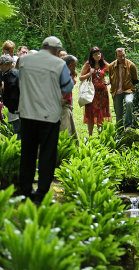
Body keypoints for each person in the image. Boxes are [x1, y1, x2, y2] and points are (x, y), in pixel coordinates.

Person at [18, 36, 73, 204]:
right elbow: (68, 86)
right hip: (49, 116)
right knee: (47, 155)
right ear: (57, 51)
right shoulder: (59, 64)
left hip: (27, 113)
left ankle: (26, 192)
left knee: (27, 154)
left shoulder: (24, 60)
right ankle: (41, 193)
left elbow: (21, 80)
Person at [79, 46, 111, 135]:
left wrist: (109, 81)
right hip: (91, 93)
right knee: (91, 113)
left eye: (99, 53)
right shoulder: (88, 64)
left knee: (101, 113)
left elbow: (113, 70)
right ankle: (90, 135)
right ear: (92, 56)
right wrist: (89, 74)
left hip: (102, 93)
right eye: (95, 54)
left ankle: (100, 134)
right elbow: (80, 78)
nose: (98, 56)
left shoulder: (104, 64)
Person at [109, 48, 138, 130]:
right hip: (116, 91)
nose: (122, 58)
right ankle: (119, 129)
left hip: (128, 90)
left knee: (129, 102)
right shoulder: (111, 66)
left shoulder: (131, 65)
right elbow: (111, 78)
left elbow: (135, 79)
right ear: (116, 56)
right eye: (119, 56)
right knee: (118, 113)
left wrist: (131, 87)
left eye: (123, 55)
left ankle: (128, 125)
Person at [0, 54, 21, 139]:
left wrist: (11, 107)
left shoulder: (9, 75)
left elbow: (12, 93)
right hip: (20, 108)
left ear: (5, 64)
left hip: (16, 109)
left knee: (18, 132)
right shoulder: (17, 72)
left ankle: (19, 151)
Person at [59, 55, 78, 143]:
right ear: (70, 65)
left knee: (69, 131)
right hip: (60, 107)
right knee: (65, 132)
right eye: (75, 65)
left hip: (66, 106)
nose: (75, 68)